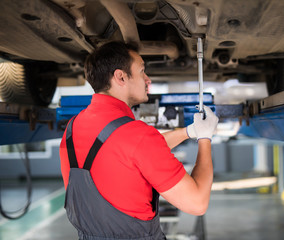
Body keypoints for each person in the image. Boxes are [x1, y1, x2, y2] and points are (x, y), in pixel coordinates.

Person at [59, 40, 218, 240]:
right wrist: (205, 139)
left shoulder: (72, 129)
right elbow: (197, 203)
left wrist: (189, 131)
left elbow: (131, 155)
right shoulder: (136, 136)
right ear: (121, 77)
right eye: (142, 71)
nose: (147, 79)